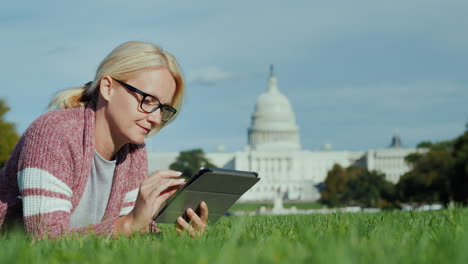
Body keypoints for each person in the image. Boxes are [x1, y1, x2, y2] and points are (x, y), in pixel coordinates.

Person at [0, 41, 208, 238]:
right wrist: (127, 224)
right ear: (107, 87)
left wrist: (179, 241)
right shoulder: (53, 134)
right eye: (148, 100)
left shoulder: (133, 152)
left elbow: (133, 235)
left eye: (163, 108)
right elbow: (44, 238)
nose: (155, 118)